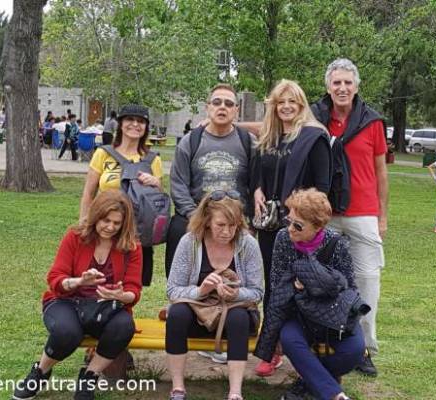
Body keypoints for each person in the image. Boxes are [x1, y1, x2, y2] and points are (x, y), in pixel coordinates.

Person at [12, 190, 143, 400]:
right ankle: (40, 371)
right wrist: (79, 281)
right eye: (105, 220)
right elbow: (55, 278)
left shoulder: (131, 246)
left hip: (107, 306)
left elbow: (133, 291)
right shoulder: (75, 236)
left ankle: (90, 375)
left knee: (124, 326)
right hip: (67, 301)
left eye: (117, 223)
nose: (110, 227)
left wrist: (120, 295)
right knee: (67, 332)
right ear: (95, 215)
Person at [310, 58, 388, 377]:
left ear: (356, 86)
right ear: (328, 86)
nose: (342, 88)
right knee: (319, 280)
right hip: (324, 213)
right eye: (336, 82)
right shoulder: (315, 117)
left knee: (368, 280)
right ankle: (322, 340)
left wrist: (382, 217)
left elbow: (382, 171)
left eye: (348, 82)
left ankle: (365, 347)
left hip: (363, 212)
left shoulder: (372, 121)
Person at [252, 79, 332, 377]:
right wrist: (258, 190)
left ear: (301, 106)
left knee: (302, 287)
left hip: (300, 226)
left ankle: (304, 350)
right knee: (274, 287)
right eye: (280, 102)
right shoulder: (269, 138)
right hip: (271, 225)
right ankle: (270, 350)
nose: (286, 107)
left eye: (292, 102)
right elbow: (261, 174)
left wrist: (302, 215)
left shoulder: (313, 137)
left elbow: (322, 188)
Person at [254, 188, 365, 400]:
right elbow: (278, 286)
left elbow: (349, 288)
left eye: (298, 225)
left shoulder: (337, 243)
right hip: (298, 313)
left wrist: (314, 285)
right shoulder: (282, 239)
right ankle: (334, 395)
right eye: (289, 220)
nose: (290, 229)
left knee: (355, 350)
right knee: (289, 339)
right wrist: (298, 288)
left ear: (318, 227)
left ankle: (306, 383)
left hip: (330, 314)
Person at [166, 191, 263, 400]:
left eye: (233, 225)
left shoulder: (248, 244)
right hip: (197, 313)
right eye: (221, 225)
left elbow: (257, 292)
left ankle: (235, 392)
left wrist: (235, 293)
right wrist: (202, 290)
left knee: (238, 318)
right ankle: (178, 388)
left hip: (233, 315)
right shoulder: (190, 242)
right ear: (207, 221)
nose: (227, 231)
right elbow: (173, 290)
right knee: (176, 314)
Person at [167, 84, 254, 279]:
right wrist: (197, 217)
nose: (222, 107)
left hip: (234, 220)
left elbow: (255, 184)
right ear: (207, 107)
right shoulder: (190, 141)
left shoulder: (248, 142)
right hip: (196, 216)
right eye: (217, 102)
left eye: (229, 103)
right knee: (177, 230)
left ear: (236, 110)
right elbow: (178, 185)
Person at [80, 104, 163, 286]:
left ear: (146, 127)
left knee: (132, 282)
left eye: (141, 121)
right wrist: (84, 223)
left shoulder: (153, 159)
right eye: (130, 120)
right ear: (120, 124)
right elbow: (89, 193)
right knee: (101, 274)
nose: (135, 125)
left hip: (137, 230)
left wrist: (156, 184)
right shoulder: (103, 154)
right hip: (106, 226)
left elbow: (158, 201)